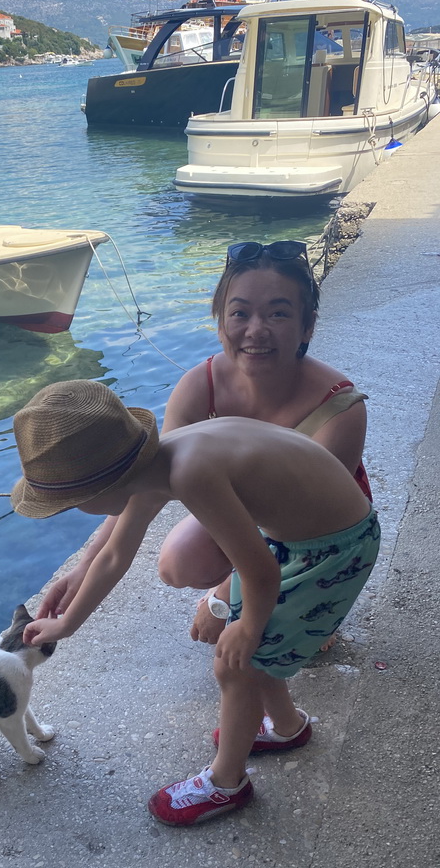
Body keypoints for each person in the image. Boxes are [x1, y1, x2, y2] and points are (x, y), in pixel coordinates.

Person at [11, 380, 380, 825]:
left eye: (70, 503)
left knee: (237, 662)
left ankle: (228, 785)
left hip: (331, 551)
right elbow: (113, 554)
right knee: (249, 653)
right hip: (295, 539)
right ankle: (287, 728)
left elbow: (260, 571)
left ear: (102, 490)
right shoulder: (154, 462)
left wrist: (246, 626)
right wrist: (68, 618)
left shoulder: (191, 473)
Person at [37, 240, 370, 652]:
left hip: (321, 533)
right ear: (219, 321)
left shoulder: (340, 407)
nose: (256, 330)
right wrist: (82, 571)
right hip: (241, 511)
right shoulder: (199, 387)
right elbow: (140, 488)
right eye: (240, 313)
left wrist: (224, 602)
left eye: (279, 313)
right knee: (179, 561)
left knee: (263, 637)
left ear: (308, 326)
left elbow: (315, 524)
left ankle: (316, 603)